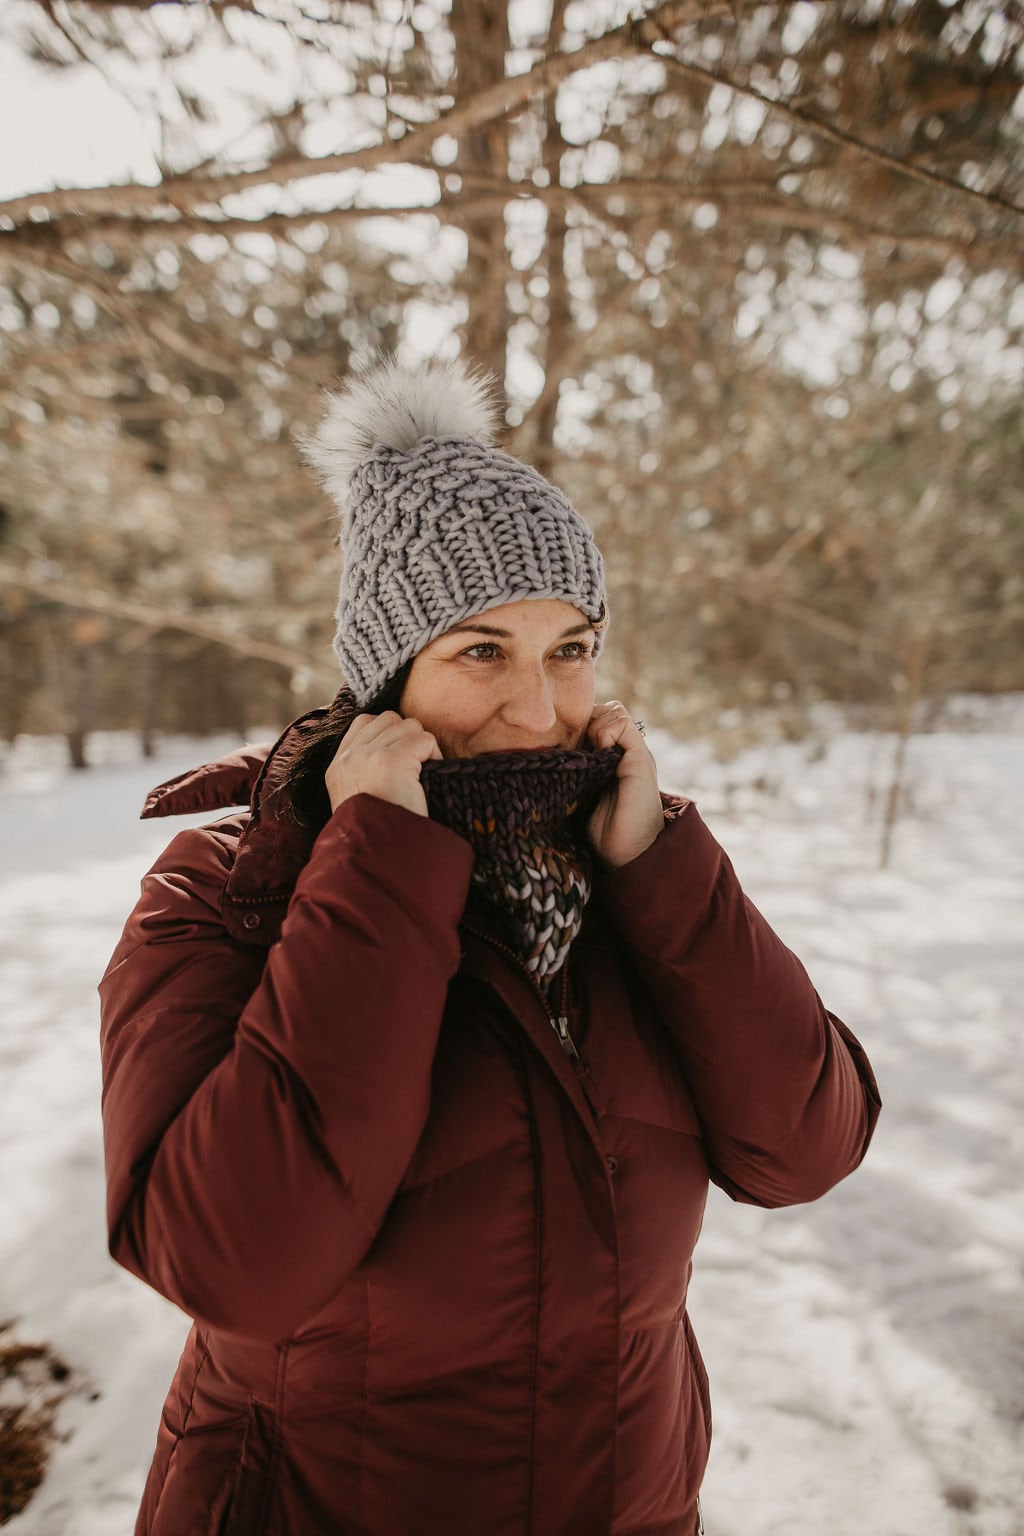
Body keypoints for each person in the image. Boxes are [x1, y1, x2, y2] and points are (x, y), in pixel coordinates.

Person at [99, 356, 880, 1536]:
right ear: (385, 682)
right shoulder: (230, 893)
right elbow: (236, 1264)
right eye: (480, 652)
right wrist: (375, 873)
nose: (537, 710)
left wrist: (664, 875)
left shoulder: (623, 876)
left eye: (570, 649)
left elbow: (806, 1149)